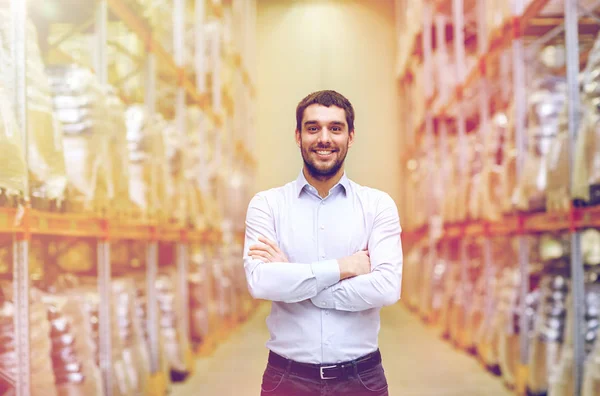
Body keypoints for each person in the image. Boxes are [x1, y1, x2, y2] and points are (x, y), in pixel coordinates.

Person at [243, 90, 403, 396]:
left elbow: (387, 287)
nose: (324, 138)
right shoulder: (267, 205)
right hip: (286, 378)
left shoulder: (377, 205)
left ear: (351, 136)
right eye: (313, 128)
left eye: (336, 128)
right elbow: (261, 283)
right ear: (298, 135)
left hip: (362, 379)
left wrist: (296, 278)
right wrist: (343, 267)